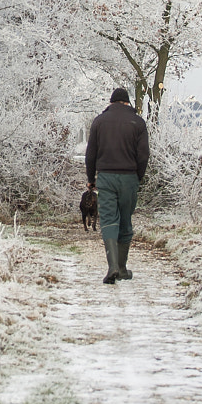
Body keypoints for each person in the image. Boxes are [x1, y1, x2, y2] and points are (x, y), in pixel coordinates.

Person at [84, 86, 149, 284]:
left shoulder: (99, 121)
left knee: (109, 220)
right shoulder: (138, 122)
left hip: (106, 177)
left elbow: (91, 154)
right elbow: (143, 155)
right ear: (127, 102)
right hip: (129, 177)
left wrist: (91, 178)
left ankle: (112, 266)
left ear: (111, 102)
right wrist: (138, 176)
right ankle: (121, 268)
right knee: (125, 222)